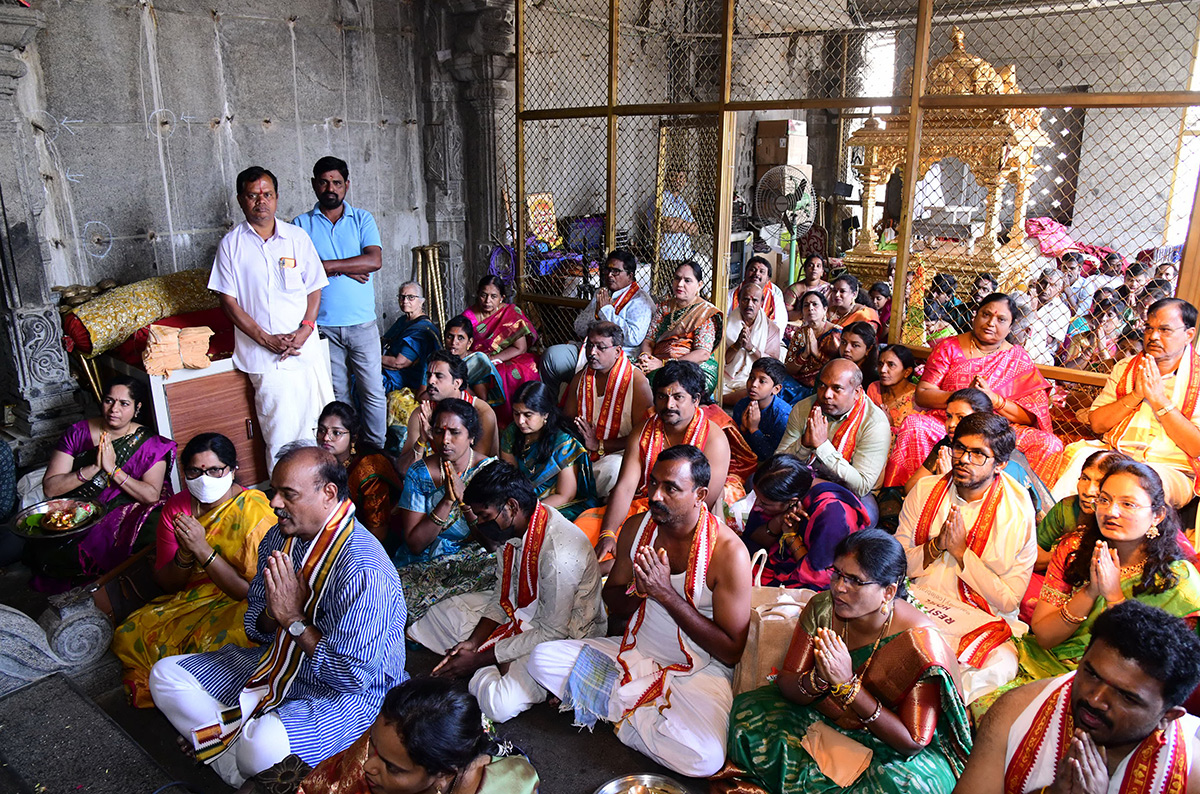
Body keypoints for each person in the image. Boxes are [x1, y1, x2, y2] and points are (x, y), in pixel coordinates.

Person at [147, 446, 407, 787]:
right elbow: (257, 624)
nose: (274, 503)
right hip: (280, 663)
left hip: (352, 692)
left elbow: (351, 676)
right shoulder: (279, 536)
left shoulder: (363, 568)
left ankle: (230, 746)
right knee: (165, 676)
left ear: (328, 494)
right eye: (274, 491)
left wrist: (293, 619)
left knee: (261, 748)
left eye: (288, 494)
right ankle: (243, 762)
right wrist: (274, 612)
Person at [527, 446, 752, 778]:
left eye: (671, 488)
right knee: (541, 659)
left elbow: (731, 651)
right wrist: (642, 593)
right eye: (653, 482)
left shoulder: (728, 553)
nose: (655, 495)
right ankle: (643, 715)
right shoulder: (636, 528)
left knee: (705, 758)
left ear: (700, 494)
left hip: (699, 671)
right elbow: (613, 596)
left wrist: (666, 595)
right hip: (633, 653)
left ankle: (617, 711)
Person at [716, 530, 973, 794]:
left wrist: (849, 686)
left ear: (888, 592)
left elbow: (911, 742)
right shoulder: (823, 608)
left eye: (855, 581)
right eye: (837, 573)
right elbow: (787, 682)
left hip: (887, 744)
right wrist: (819, 679)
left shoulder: (918, 645)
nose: (839, 587)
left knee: (910, 788)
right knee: (749, 714)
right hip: (823, 715)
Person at [407, 462, 605, 723]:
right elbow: (501, 597)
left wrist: (477, 660)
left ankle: (487, 668)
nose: (479, 524)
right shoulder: (515, 527)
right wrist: (474, 642)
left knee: (499, 706)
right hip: (523, 613)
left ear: (511, 507)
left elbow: (552, 632)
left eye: (485, 516)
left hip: (562, 637)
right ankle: (495, 662)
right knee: (437, 614)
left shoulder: (558, 553)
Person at [952, 600, 1200, 794]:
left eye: (1125, 696)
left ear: (1167, 716)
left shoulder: (1190, 775)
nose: (1095, 699)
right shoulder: (1017, 712)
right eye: (1091, 674)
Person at [1010, 461, 1200, 700]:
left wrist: (1113, 596)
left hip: (1123, 692)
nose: (1111, 511)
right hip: (1047, 664)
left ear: (1157, 515)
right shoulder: (1074, 548)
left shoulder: (1179, 582)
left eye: (1128, 504)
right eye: (1104, 500)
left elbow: (1160, 670)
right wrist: (1090, 592)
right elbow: (1045, 637)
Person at [112, 433, 274, 708]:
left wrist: (202, 550)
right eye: (195, 471)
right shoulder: (177, 508)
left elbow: (251, 593)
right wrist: (186, 554)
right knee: (131, 632)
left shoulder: (255, 511)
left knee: (221, 642)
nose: (205, 478)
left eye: (214, 470)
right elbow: (168, 583)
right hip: (194, 597)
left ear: (233, 470)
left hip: (245, 603)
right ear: (183, 473)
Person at [896, 412, 1036, 704]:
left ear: (1000, 464)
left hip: (979, 615)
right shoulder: (924, 491)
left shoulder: (1017, 512)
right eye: (960, 448)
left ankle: (940, 708)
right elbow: (896, 566)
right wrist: (935, 546)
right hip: (919, 599)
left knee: (1001, 664)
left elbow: (1009, 601)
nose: (964, 459)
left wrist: (961, 554)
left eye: (978, 454)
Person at [210, 166, 333, 471]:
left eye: (267, 195)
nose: (260, 201)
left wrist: (306, 329)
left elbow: (314, 287)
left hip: (306, 352)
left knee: (320, 428)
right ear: (241, 199)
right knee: (281, 435)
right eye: (253, 195)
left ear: (276, 198)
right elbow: (228, 300)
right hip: (266, 358)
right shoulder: (231, 245)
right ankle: (285, 505)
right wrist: (265, 339)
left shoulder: (296, 237)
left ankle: (321, 498)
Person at [882, 293, 1064, 488]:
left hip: (996, 432)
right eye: (986, 315)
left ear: (1010, 326)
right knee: (915, 425)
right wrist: (964, 399)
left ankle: (1025, 508)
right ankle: (907, 495)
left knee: (1049, 444)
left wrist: (994, 400)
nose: (991, 323)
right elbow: (924, 393)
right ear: (975, 316)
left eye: (1001, 319)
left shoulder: (1018, 359)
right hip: (949, 425)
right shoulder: (949, 348)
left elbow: (1031, 416)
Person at [1053, 298, 1200, 509]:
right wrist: (1135, 395)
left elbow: (1196, 447)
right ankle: (1056, 534)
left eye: (1165, 330)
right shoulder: (1125, 369)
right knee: (1081, 462)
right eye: (1149, 328)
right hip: (1118, 455)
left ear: (1189, 335)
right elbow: (1098, 424)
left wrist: (1158, 399)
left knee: (1138, 485)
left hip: (1172, 469)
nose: (1154, 336)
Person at [583, 360, 732, 562]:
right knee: (584, 537)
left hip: (686, 519)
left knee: (627, 559)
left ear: (695, 400)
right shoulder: (642, 432)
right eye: (662, 396)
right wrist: (608, 533)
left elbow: (702, 502)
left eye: (678, 397)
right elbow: (626, 487)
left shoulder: (714, 440)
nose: (669, 405)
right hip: (646, 507)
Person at [35, 376, 175, 589]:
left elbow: (151, 495)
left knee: (155, 527)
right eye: (109, 401)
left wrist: (113, 469)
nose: (114, 409)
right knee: (50, 543)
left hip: (125, 509)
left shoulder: (149, 444)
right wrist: (93, 468)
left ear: (137, 408)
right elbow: (51, 488)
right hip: (80, 508)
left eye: (124, 403)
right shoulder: (78, 433)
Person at [297, 678, 539, 794]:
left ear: (444, 774)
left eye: (393, 769)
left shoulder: (510, 787)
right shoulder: (389, 739)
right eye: (373, 745)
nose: (367, 765)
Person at [292, 156, 386, 448]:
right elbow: (300, 271)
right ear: (314, 185)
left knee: (373, 392)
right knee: (336, 395)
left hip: (362, 323)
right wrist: (350, 267)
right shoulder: (300, 224)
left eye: (336, 182)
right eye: (323, 182)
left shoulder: (362, 219)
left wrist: (330, 266)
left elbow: (374, 260)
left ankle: (376, 452)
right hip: (322, 327)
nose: (330, 188)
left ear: (347, 185)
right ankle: (347, 452)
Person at [394, 400, 497, 603]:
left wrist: (465, 504)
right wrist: (448, 500)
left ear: (471, 436)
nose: (445, 440)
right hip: (424, 560)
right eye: (439, 432)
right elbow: (415, 545)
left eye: (455, 432)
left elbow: (492, 544)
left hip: (474, 558)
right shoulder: (420, 473)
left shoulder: (489, 472)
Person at [778, 358, 891, 524]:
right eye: (822, 385)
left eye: (837, 388)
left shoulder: (875, 423)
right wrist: (804, 444)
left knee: (867, 516)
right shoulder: (804, 408)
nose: (826, 395)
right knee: (758, 482)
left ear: (857, 392)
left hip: (850, 490)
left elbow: (861, 486)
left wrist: (822, 446)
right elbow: (779, 461)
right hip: (806, 476)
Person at [738, 454, 870, 589]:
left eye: (764, 503)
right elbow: (753, 536)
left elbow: (818, 576)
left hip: (825, 579)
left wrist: (791, 536)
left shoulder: (832, 512)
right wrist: (779, 521)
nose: (757, 505)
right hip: (793, 561)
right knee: (738, 549)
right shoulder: (787, 491)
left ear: (792, 501)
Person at [538, 248, 654, 394]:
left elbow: (633, 337)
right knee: (552, 355)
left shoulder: (640, 300)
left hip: (620, 355)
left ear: (630, 275)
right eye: (607, 270)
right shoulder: (601, 293)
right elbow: (578, 326)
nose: (609, 275)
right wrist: (598, 314)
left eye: (616, 271)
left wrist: (606, 311)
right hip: (588, 348)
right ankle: (548, 408)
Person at [562, 321, 654, 497]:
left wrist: (600, 445)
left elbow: (644, 437)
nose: (592, 352)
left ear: (618, 351)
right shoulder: (580, 379)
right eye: (589, 345)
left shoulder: (637, 382)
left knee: (614, 470)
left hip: (621, 455)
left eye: (600, 347)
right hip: (584, 452)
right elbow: (567, 422)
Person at [499, 382, 598, 520]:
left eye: (528, 415)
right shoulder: (512, 433)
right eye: (516, 414)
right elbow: (511, 477)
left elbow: (565, 495)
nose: (520, 421)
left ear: (545, 414)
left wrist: (530, 512)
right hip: (520, 496)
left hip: (554, 503)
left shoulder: (563, 443)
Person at [394, 352, 499, 479]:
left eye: (439, 376)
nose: (431, 381)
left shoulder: (481, 412)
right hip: (438, 477)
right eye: (429, 375)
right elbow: (403, 470)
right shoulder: (422, 413)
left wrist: (434, 435)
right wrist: (422, 440)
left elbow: (473, 471)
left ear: (457, 383)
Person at [316, 402, 402, 544]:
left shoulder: (368, 471)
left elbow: (378, 532)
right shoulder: (321, 461)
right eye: (321, 430)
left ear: (353, 438)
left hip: (376, 543)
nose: (326, 438)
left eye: (336, 433)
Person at [638, 261, 723, 393]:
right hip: (657, 360)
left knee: (661, 381)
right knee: (626, 372)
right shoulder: (664, 307)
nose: (680, 284)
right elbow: (649, 340)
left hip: (691, 365)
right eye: (677, 278)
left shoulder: (704, 312)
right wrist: (646, 358)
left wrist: (664, 364)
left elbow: (703, 354)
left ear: (699, 285)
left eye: (687, 280)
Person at [1037, 450, 1129, 569]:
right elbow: (1033, 557)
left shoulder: (1125, 521)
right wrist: (1068, 555)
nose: (1088, 491)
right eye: (1085, 478)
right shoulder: (1067, 509)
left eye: (1100, 483)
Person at [464, 275, 539, 414]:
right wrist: (482, 359)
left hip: (509, 356)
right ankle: (490, 419)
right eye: (483, 295)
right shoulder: (468, 316)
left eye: (493, 296)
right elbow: (462, 346)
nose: (487, 301)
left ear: (502, 298)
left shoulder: (510, 313)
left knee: (516, 372)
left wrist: (493, 359)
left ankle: (519, 415)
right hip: (478, 359)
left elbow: (520, 348)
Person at [722, 281, 783, 405]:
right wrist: (737, 345)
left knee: (754, 392)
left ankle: (720, 400)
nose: (749, 304)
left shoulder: (771, 329)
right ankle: (723, 399)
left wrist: (751, 348)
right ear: (738, 300)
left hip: (753, 380)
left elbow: (772, 366)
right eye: (745, 299)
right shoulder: (725, 325)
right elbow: (722, 360)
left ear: (761, 303)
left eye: (755, 300)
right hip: (725, 378)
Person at [380, 282, 441, 395]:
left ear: (421, 301)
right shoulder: (403, 320)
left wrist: (370, 359)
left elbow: (399, 363)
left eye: (411, 297)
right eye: (402, 297)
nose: (405, 301)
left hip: (405, 378)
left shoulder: (421, 329)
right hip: (388, 369)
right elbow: (385, 340)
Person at [784, 290, 842, 399]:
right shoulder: (799, 334)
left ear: (825, 310)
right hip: (797, 383)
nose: (810, 308)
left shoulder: (836, 334)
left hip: (824, 384)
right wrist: (804, 355)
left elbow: (840, 367)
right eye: (806, 306)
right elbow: (789, 368)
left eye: (815, 304)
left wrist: (817, 354)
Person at [732, 357, 791, 461]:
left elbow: (774, 457)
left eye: (762, 381)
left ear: (776, 389)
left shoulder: (782, 416)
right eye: (751, 378)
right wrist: (743, 430)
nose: (753, 384)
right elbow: (734, 445)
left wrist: (754, 429)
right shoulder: (741, 405)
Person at [443, 315, 506, 409]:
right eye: (450, 336)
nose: (453, 342)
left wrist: (460, 382)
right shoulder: (439, 360)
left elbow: (481, 402)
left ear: (469, 342)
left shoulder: (477, 362)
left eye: (460, 338)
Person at [728, 255, 788, 339]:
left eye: (762, 271)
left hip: (765, 344)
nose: (756, 273)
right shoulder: (730, 296)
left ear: (768, 278)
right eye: (752, 270)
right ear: (745, 273)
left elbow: (778, 331)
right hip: (733, 341)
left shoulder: (776, 301)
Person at [649, 168, 699, 265]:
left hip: (685, 256)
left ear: (685, 181)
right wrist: (685, 225)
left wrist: (678, 222)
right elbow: (665, 225)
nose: (677, 180)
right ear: (667, 178)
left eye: (681, 177)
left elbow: (695, 230)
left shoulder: (682, 202)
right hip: (666, 258)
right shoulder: (660, 198)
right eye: (673, 176)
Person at [1025, 268, 1072, 365]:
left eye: (1053, 285)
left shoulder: (1062, 310)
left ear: (1059, 289)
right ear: (1037, 283)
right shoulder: (1026, 299)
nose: (1046, 288)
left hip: (1040, 354)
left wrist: (1033, 310)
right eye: (1044, 282)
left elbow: (1047, 340)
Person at [867, 344, 917, 433]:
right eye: (880, 364)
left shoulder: (916, 398)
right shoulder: (874, 388)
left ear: (907, 372)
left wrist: (890, 426)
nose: (883, 370)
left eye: (891, 365)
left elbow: (912, 438)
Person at [838, 320, 880, 387]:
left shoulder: (874, 379)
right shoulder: (831, 368)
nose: (846, 349)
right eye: (843, 342)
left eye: (855, 345)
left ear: (868, 349)